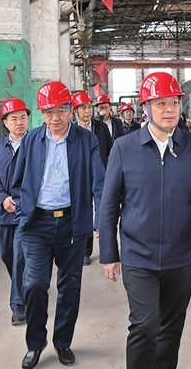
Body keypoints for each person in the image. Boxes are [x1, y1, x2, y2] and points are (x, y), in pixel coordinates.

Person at [100, 72, 191, 369]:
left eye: (174, 103)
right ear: (145, 108)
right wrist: (109, 254)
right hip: (137, 255)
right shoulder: (124, 148)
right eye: (160, 103)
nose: (169, 109)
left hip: (180, 256)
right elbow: (109, 205)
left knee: (171, 327)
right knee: (144, 325)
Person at [11, 81, 105, 369]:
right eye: (49, 112)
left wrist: (100, 218)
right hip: (37, 224)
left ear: (70, 110)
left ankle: (62, 341)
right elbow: (17, 181)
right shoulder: (31, 140)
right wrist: (22, 211)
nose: (55, 118)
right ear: (42, 113)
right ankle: (35, 343)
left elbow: (99, 182)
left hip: (72, 224)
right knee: (35, 285)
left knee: (70, 286)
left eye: (61, 110)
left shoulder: (86, 140)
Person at [0, 98, 30, 326]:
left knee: (20, 259)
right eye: (14, 118)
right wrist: (3, 199)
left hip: (25, 213)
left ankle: (18, 306)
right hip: (3, 213)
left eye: (23, 117)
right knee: (8, 256)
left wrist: (21, 201)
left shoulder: (35, 144)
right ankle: (26, 286)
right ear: (5, 122)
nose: (19, 122)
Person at [72, 90, 113, 266]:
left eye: (89, 107)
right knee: (84, 212)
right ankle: (85, 251)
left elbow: (110, 148)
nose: (87, 111)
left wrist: (110, 170)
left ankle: (108, 250)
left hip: (100, 174)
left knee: (104, 208)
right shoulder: (71, 131)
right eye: (83, 108)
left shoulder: (100, 127)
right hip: (80, 177)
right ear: (75, 111)